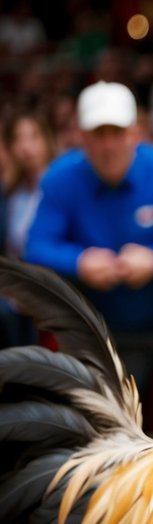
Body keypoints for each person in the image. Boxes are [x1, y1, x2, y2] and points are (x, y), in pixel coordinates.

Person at [26, 81, 153, 433]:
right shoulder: (61, 177)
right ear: (81, 137)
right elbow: (37, 246)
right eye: (97, 134)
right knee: (112, 429)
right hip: (106, 328)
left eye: (116, 132)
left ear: (136, 132)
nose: (107, 145)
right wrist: (79, 261)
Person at [0, 110, 56, 347]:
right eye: (18, 139)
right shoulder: (10, 193)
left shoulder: (60, 186)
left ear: (47, 140)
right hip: (13, 290)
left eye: (33, 137)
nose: (26, 147)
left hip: (52, 287)